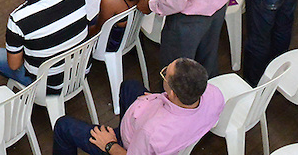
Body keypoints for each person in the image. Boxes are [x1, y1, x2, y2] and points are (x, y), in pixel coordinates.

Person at [51, 57, 224, 155]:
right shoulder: (214, 95)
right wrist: (158, 98)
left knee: (63, 126)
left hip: (125, 147)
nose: (163, 72)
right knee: (130, 86)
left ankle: (116, 137)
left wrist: (110, 144)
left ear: (172, 94)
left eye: (165, 73)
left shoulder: (153, 132)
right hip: (148, 130)